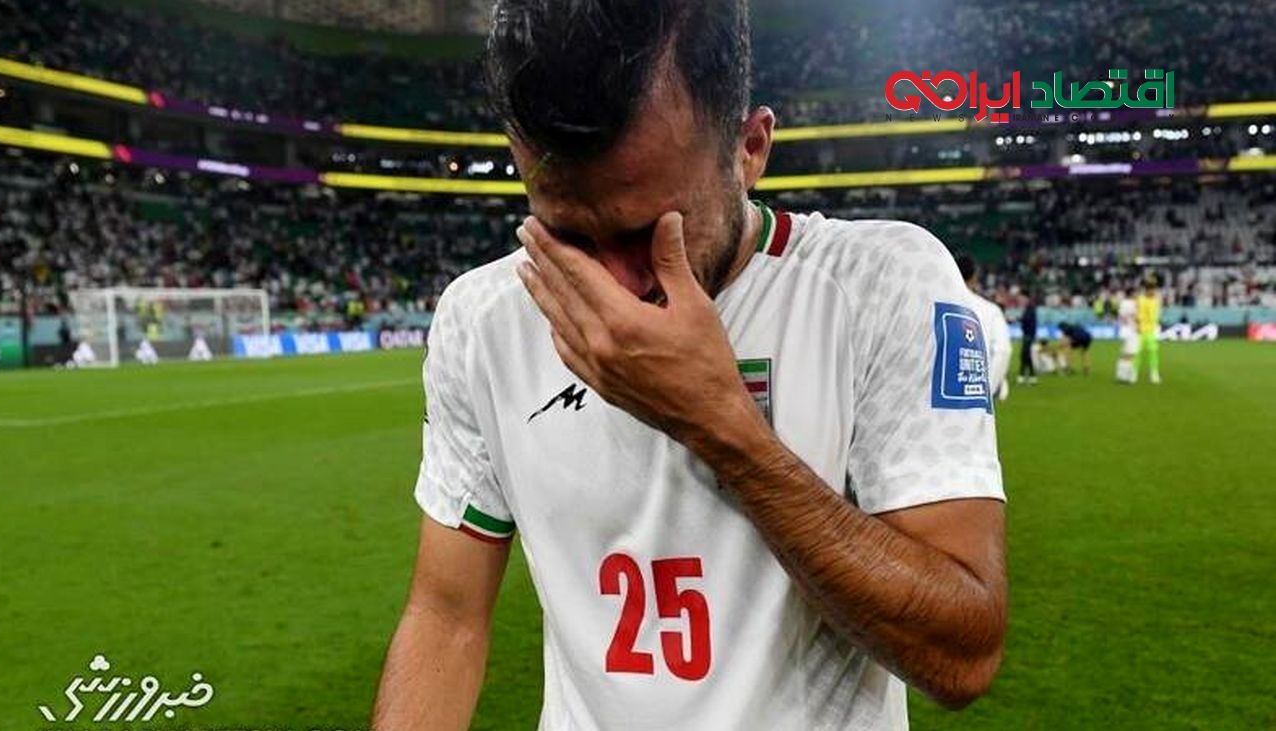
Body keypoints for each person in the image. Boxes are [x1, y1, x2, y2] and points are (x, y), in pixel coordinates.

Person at [373, 3, 1007, 729]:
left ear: (750, 148)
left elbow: (962, 656)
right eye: (567, 233)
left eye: (649, 231)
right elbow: (447, 616)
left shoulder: (880, 285)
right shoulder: (482, 319)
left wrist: (720, 423)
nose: (616, 283)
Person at [956, 255, 1012, 401]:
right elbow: (1003, 351)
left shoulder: (932, 308)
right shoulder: (989, 310)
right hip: (975, 389)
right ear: (974, 277)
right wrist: (987, 391)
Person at [1133, 276, 1163, 384]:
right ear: (1146, 289)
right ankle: (1134, 374)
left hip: (1151, 331)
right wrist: (1137, 326)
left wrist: (1156, 324)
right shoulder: (1140, 299)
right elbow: (1137, 314)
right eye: (1151, 289)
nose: (1153, 291)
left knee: (1153, 352)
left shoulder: (1156, 300)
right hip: (1140, 330)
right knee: (1137, 353)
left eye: (1154, 289)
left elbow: (1156, 314)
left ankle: (1154, 374)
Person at [1115, 288, 1140, 383]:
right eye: (1136, 293)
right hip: (1130, 330)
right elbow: (1131, 317)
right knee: (1130, 353)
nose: (1137, 294)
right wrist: (1134, 325)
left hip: (1125, 330)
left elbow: (1121, 316)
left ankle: (1121, 375)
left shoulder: (1124, 303)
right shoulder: (1131, 303)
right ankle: (1126, 376)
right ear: (1132, 293)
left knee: (1126, 353)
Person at [1018, 293, 1038, 385]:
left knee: (1025, 355)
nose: (1021, 300)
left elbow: (1027, 320)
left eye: (1022, 298)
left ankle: (1024, 376)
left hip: (1028, 335)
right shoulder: (1029, 308)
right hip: (1028, 335)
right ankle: (1029, 376)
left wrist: (1018, 319)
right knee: (1026, 356)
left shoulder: (1030, 309)